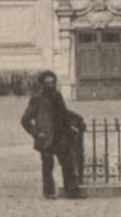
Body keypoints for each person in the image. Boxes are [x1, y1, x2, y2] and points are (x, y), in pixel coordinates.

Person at [20, 70, 86, 200]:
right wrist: (37, 133)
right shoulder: (37, 99)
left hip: (61, 136)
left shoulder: (57, 96)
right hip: (46, 138)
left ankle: (71, 191)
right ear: (42, 84)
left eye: (52, 82)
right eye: (47, 83)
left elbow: (64, 113)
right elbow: (25, 120)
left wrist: (78, 119)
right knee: (47, 166)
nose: (50, 85)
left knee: (68, 163)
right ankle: (49, 192)